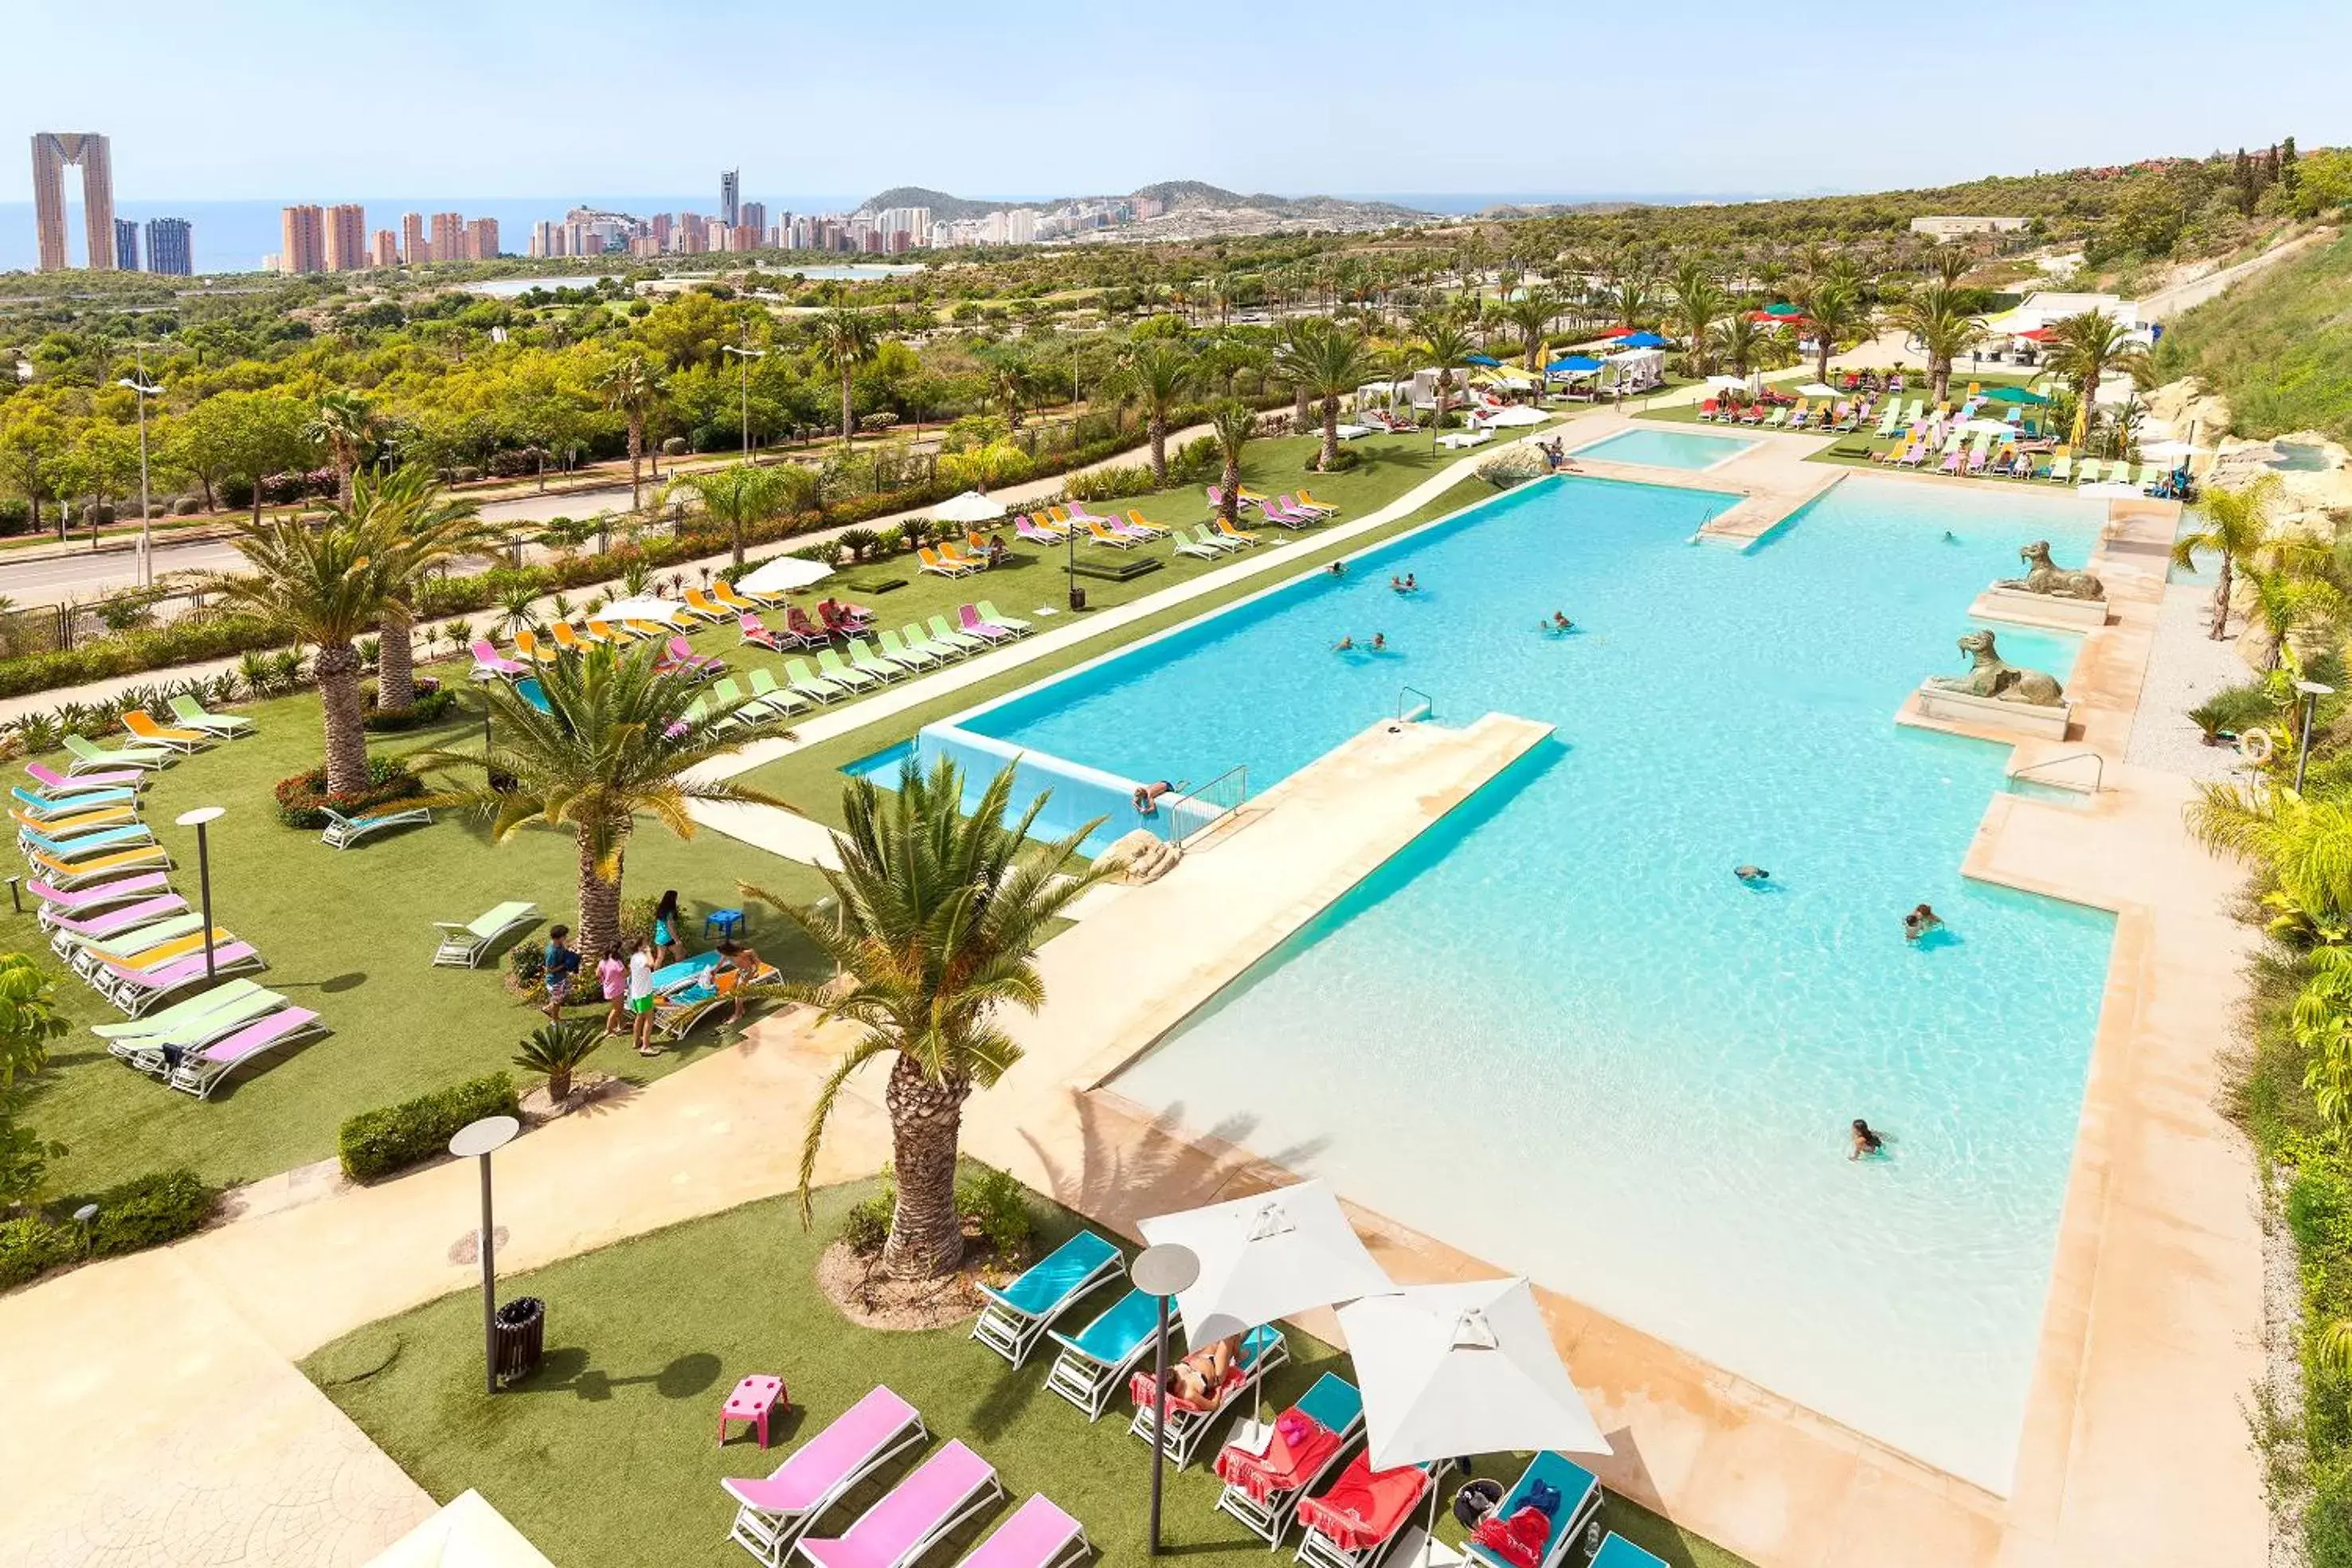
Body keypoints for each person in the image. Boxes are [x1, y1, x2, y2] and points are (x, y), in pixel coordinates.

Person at [1164, 1334, 1239, 1403]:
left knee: (1221, 1333)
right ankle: (1238, 1356)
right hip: (1216, 1372)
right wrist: (1218, 1391)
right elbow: (1213, 1406)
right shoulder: (1188, 1394)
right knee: (1230, 1337)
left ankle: (1236, 1346)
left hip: (1205, 1357)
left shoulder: (1174, 1372)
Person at [717, 940, 765, 1026]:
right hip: (741, 971)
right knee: (733, 989)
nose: (720, 953)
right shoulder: (726, 955)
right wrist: (714, 972)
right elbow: (720, 964)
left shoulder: (741, 953)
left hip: (749, 971)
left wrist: (756, 970)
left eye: (721, 951)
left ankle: (737, 1015)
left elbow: (754, 956)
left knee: (738, 993)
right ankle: (741, 1010)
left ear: (726, 950)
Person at [626, 936, 660, 1057]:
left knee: (639, 1017)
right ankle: (645, 1047)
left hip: (637, 993)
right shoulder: (641, 957)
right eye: (645, 943)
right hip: (644, 994)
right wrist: (649, 952)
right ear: (640, 946)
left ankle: (636, 1041)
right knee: (649, 1020)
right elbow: (651, 964)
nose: (648, 944)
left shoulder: (634, 957)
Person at [541, 926, 582, 1021]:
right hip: (555, 981)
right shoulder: (552, 952)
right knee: (557, 1002)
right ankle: (555, 1020)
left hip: (561, 978)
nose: (566, 937)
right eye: (564, 936)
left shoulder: (560, 946)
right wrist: (565, 965)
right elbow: (549, 970)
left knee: (560, 997)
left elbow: (563, 954)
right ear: (558, 938)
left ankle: (548, 1009)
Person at [597, 945, 629, 1036]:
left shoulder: (603, 961)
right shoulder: (617, 962)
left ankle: (621, 1025)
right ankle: (608, 1029)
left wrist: (604, 980)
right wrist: (631, 969)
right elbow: (625, 974)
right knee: (617, 1010)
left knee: (619, 1008)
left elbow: (598, 973)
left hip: (609, 988)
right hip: (616, 989)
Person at [652, 890, 682, 966]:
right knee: (680, 954)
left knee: (660, 957)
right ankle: (678, 971)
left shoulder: (661, 909)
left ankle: (654, 974)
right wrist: (677, 940)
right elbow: (670, 927)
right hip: (668, 937)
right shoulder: (670, 913)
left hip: (660, 937)